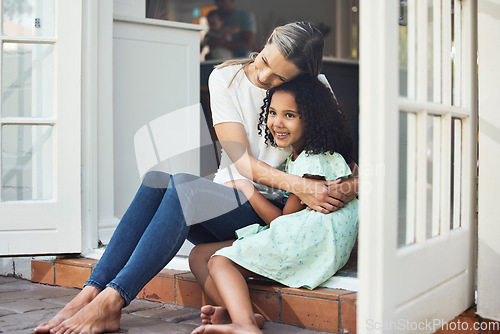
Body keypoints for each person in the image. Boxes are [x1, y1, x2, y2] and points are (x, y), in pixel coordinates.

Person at [34, 21, 358, 334]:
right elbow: (241, 161)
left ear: (301, 81)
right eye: (263, 61)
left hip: (273, 210)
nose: (263, 76)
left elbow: (346, 161)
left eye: (278, 78)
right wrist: (302, 185)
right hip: (233, 196)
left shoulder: (315, 91)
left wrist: (345, 187)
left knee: (183, 188)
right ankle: (92, 291)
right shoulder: (226, 78)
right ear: (266, 42)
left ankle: (113, 299)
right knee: (158, 179)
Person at [189, 75, 358, 334]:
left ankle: (245, 325)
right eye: (272, 112)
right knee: (199, 255)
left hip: (309, 249)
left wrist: (248, 190)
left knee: (221, 262)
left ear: (311, 120)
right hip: (305, 241)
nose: (276, 122)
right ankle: (240, 315)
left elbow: (281, 222)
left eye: (290, 115)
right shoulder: (310, 157)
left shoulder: (312, 164)